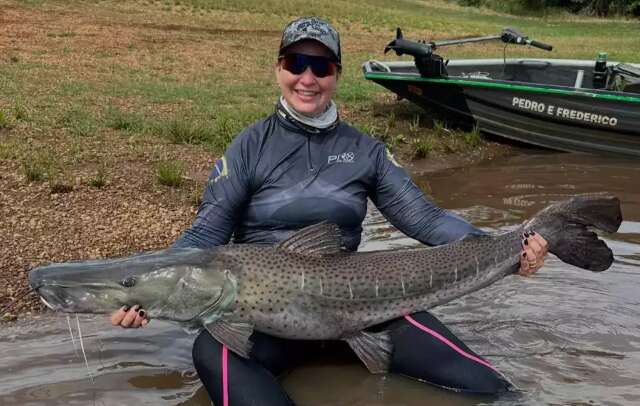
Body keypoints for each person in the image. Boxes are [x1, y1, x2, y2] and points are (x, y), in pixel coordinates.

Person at [111, 16, 548, 405]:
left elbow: (427, 220)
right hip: (263, 320)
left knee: (491, 390)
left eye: (321, 67)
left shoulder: (365, 150)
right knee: (213, 353)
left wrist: (512, 249)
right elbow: (204, 236)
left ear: (336, 75)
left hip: (361, 311)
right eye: (295, 63)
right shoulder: (248, 146)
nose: (307, 77)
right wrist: (141, 287)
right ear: (278, 69)